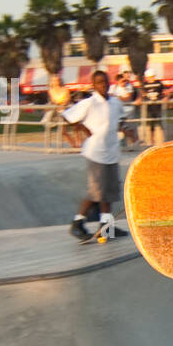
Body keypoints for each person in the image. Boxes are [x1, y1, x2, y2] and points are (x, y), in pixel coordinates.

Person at [62, 70, 127, 240]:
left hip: (112, 151)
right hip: (95, 152)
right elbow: (68, 117)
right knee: (96, 191)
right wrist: (84, 129)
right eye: (99, 82)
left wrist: (124, 130)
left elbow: (120, 119)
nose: (103, 85)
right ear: (93, 85)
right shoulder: (89, 103)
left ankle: (106, 226)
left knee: (110, 191)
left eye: (105, 81)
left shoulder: (115, 102)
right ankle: (77, 223)